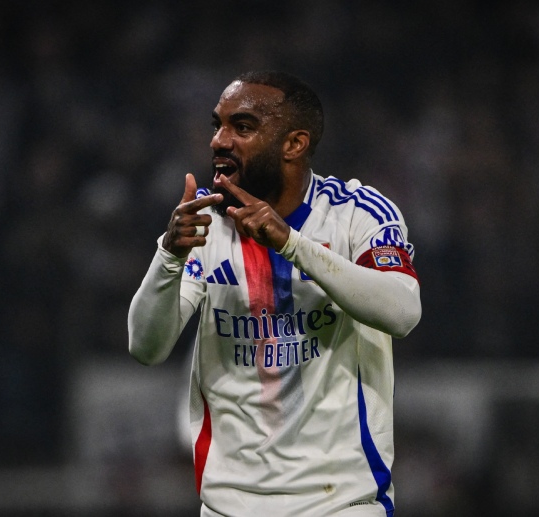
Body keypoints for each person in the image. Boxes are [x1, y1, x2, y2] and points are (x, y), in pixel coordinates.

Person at [128, 70, 421, 517]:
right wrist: (169, 255)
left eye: (242, 127)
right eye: (217, 125)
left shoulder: (356, 214)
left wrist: (290, 244)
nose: (219, 141)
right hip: (229, 507)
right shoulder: (203, 222)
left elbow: (402, 312)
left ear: (294, 144)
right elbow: (146, 348)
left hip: (342, 504)